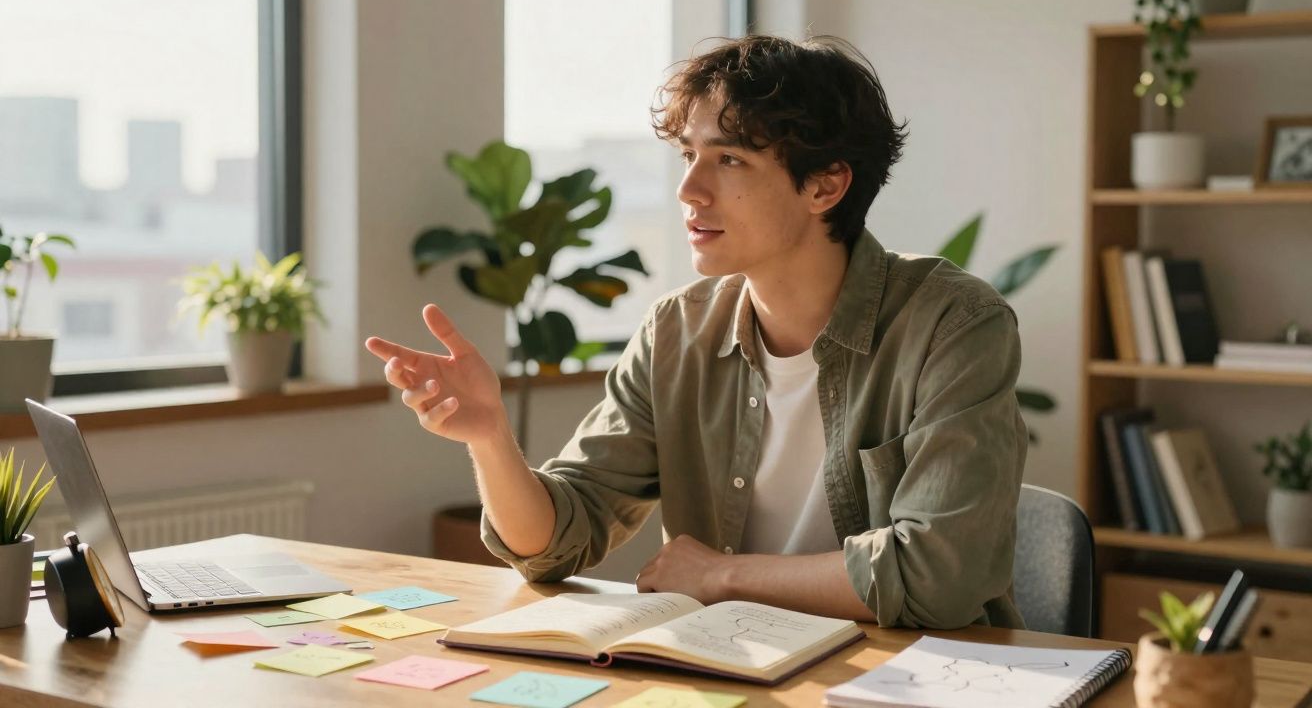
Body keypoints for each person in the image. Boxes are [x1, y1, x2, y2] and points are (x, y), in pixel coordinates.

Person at [365, 35, 1027, 629]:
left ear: (825, 185)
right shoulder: (677, 331)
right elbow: (556, 542)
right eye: (688, 155)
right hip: (739, 667)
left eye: (729, 160)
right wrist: (490, 438)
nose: (688, 189)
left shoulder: (953, 325)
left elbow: (940, 575)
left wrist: (720, 575)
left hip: (914, 677)